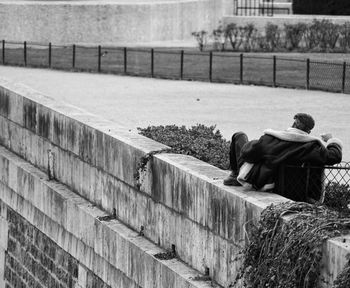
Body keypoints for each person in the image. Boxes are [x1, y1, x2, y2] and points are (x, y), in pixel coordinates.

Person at [223, 113, 343, 202]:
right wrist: (331, 140)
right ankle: (234, 175)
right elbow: (334, 156)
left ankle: (234, 174)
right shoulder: (312, 146)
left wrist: (259, 142)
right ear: (309, 131)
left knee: (240, 135)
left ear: (294, 123)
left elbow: (246, 154)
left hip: (267, 185)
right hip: (296, 192)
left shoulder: (271, 138)